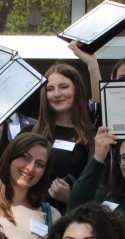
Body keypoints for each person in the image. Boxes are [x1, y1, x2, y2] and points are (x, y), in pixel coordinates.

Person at [31, 62, 96, 212]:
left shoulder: (90, 136)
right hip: (35, 216)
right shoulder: (32, 133)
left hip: (73, 219)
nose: (57, 94)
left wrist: (71, 198)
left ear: (77, 89)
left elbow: (94, 184)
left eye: (64, 87)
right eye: (50, 89)